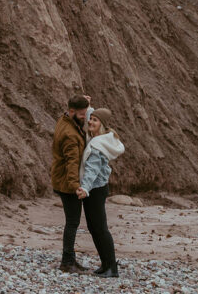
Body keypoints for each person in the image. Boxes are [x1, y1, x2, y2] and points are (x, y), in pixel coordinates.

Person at [77, 107, 124, 278]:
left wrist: (85, 189)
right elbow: (92, 118)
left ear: (102, 125)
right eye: (91, 119)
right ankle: (106, 265)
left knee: (100, 228)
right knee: (94, 227)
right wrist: (89, 107)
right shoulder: (99, 138)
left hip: (94, 189)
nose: (90, 121)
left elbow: (92, 170)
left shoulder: (97, 146)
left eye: (95, 120)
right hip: (97, 188)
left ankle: (112, 267)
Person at [51, 93, 93, 273]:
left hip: (61, 179)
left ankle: (70, 260)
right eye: (83, 114)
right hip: (67, 184)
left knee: (71, 222)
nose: (86, 117)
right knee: (72, 223)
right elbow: (72, 163)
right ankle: (67, 262)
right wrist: (76, 187)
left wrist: (87, 105)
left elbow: (81, 112)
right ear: (72, 111)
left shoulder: (66, 119)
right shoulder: (70, 135)